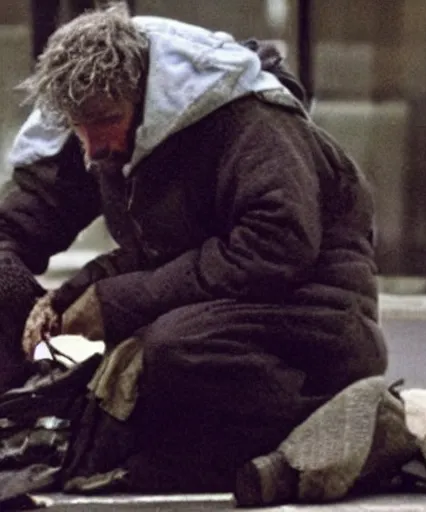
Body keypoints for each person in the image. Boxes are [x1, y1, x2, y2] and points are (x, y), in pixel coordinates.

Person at [0, 2, 387, 493]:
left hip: (315, 321)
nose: (93, 148)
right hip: (221, 309)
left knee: (176, 347)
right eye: (79, 128)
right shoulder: (106, 125)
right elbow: (35, 209)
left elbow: (276, 247)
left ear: (147, 96)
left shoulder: (251, 121)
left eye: (105, 121)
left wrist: (116, 301)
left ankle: (334, 423)